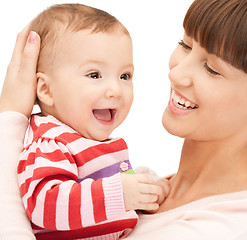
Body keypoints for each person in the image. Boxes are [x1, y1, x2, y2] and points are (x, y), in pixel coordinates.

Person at [0, 0, 247, 239]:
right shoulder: (148, 188)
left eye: (212, 69)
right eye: (184, 45)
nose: (177, 73)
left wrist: (9, 121)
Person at [14, 4, 169, 240]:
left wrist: (144, 188)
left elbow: (100, 190)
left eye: (125, 76)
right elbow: (45, 205)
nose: (116, 89)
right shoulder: (51, 143)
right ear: (46, 90)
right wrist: (122, 193)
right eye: (94, 75)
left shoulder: (89, 141)